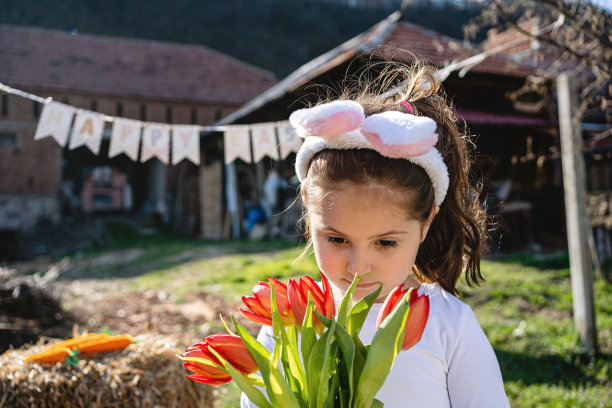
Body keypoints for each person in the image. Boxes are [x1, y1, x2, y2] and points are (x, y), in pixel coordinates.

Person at [241, 63, 510, 407]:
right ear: (310, 216)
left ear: (426, 222)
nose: (358, 267)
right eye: (337, 239)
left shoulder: (449, 328)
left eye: (385, 242)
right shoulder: (288, 320)